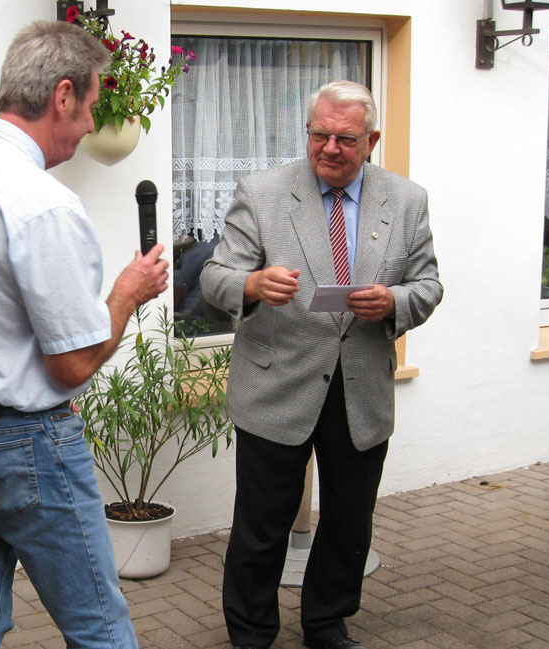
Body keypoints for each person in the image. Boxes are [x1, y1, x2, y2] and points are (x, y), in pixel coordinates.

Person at [0, 20, 169, 649]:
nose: (90, 124)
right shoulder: (42, 203)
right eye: (92, 107)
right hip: (22, 445)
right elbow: (71, 366)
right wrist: (128, 293)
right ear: (62, 96)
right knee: (101, 629)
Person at [200, 80, 443, 649]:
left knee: (348, 520)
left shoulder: (406, 200)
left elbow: (428, 284)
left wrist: (394, 302)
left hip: (360, 389)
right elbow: (215, 276)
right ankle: (251, 633)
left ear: (371, 140)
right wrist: (252, 285)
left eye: (346, 139)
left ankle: (327, 624)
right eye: (319, 135)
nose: (330, 148)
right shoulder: (263, 193)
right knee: (262, 525)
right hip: (276, 386)